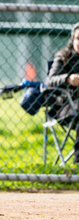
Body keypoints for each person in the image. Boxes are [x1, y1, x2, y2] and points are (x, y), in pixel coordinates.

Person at [46, 22, 79, 163]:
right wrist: (68, 78)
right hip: (67, 105)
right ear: (73, 40)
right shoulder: (64, 56)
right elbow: (50, 80)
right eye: (78, 38)